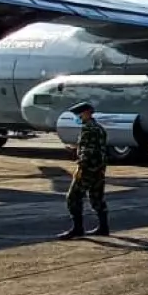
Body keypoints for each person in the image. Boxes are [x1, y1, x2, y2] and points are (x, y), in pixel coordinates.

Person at [58, 101, 109, 239]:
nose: (78, 117)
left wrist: (80, 167)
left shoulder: (88, 129)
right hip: (99, 169)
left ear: (86, 113)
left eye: (79, 114)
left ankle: (77, 228)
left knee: (73, 197)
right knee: (96, 197)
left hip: (87, 169)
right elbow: (99, 149)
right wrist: (76, 148)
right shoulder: (99, 128)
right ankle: (104, 227)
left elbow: (88, 151)